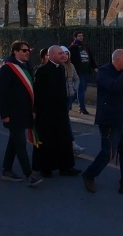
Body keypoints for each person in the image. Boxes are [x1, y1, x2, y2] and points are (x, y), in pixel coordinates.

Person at [82, 49, 123, 195]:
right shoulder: (104, 72)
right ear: (117, 60)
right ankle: (89, 175)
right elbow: (113, 87)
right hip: (110, 119)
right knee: (108, 153)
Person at [0, 40, 42, 187]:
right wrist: (4, 114)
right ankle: (29, 174)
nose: (27, 52)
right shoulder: (8, 68)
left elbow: (31, 91)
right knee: (20, 143)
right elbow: (1, 93)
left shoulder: (26, 66)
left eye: (28, 50)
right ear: (15, 52)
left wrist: (33, 110)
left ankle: (7, 170)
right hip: (13, 113)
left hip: (24, 111)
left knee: (14, 142)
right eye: (23, 50)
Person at [32, 45, 81, 177]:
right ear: (51, 55)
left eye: (64, 54)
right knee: (47, 141)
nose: (63, 56)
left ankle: (66, 167)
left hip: (60, 111)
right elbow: (38, 93)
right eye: (60, 54)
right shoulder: (42, 71)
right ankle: (45, 168)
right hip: (46, 113)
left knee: (64, 140)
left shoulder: (61, 69)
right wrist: (36, 110)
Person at [60, 46, 86, 156]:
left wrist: (74, 89)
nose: (65, 56)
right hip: (60, 98)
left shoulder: (71, 66)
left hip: (69, 97)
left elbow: (76, 79)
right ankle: (72, 145)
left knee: (65, 121)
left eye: (67, 54)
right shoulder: (58, 67)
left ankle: (70, 145)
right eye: (63, 53)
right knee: (65, 121)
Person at [69, 31, 98, 115]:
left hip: (86, 72)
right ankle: (82, 108)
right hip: (78, 73)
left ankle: (69, 102)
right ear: (75, 37)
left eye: (82, 36)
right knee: (81, 90)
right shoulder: (72, 48)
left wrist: (95, 67)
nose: (81, 37)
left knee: (81, 90)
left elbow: (90, 57)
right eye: (79, 36)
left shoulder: (84, 47)